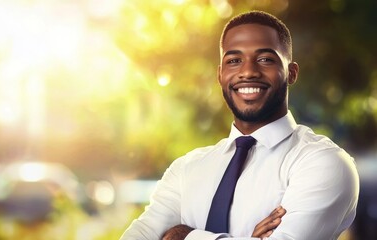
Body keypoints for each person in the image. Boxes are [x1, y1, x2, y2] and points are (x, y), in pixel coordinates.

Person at [120, 10, 359, 240]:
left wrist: (184, 236)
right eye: (234, 60)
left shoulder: (323, 162)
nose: (248, 72)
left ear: (292, 72)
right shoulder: (185, 170)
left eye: (265, 59)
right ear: (220, 74)